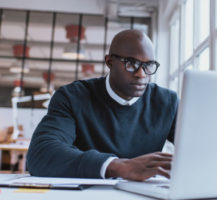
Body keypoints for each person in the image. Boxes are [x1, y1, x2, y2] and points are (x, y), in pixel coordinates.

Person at [26, 29, 178, 181]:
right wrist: (117, 166)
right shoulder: (73, 97)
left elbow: (198, 147)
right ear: (109, 62)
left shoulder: (167, 102)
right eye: (131, 64)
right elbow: (40, 154)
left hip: (145, 194)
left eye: (148, 65)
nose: (141, 74)